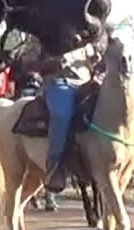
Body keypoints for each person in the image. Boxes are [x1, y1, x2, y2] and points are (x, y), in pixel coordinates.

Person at [43, 41, 100, 193]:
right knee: (61, 116)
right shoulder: (44, 34)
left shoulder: (87, 35)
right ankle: (55, 167)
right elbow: (27, 63)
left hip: (87, 82)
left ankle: (129, 156)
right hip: (60, 83)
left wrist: (97, 59)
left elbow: (96, 61)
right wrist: (52, 63)